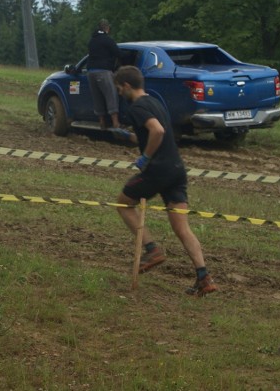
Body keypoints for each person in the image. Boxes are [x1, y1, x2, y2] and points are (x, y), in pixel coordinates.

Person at [112, 65, 217, 297]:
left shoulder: (137, 106)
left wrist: (145, 157)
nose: (119, 93)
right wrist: (129, 137)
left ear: (127, 86)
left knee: (123, 203)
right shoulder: (155, 102)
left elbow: (157, 131)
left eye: (119, 89)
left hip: (158, 170)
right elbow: (153, 133)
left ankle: (152, 250)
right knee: (182, 228)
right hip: (177, 169)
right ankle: (204, 277)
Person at [87, 19, 122, 130]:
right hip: (103, 71)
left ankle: (102, 123)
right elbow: (118, 53)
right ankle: (116, 123)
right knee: (111, 95)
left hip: (90, 72)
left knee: (97, 97)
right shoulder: (107, 40)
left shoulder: (92, 41)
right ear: (107, 28)